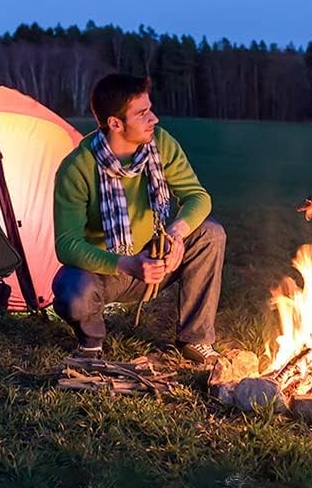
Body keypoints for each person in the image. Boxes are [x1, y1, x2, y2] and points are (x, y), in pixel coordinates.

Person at [52, 73, 225, 364]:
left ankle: (195, 340)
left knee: (210, 233)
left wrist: (177, 233)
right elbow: (66, 245)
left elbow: (198, 196)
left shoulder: (161, 144)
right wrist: (125, 263)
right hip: (108, 271)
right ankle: (91, 343)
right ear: (115, 123)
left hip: (156, 259)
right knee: (71, 287)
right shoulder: (77, 168)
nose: (154, 119)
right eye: (142, 113)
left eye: (150, 109)